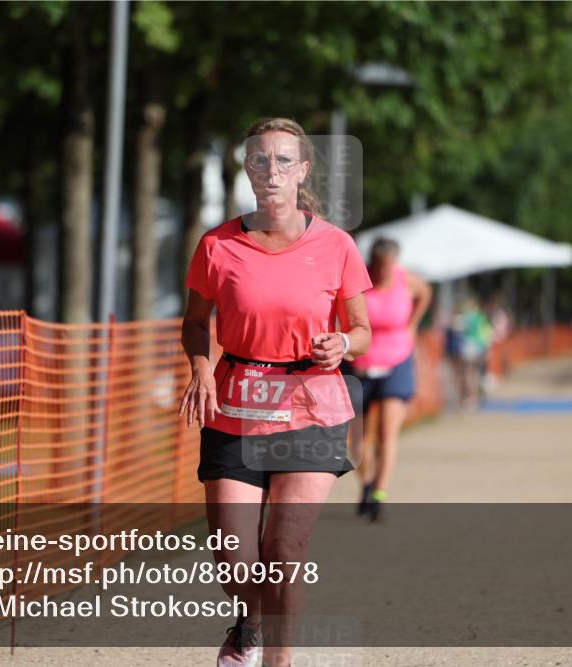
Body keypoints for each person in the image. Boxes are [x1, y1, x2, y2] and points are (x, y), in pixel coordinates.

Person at [179, 117, 372, 667]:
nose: (272, 170)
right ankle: (251, 620)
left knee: (283, 555)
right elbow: (195, 322)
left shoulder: (336, 245)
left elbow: (361, 330)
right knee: (236, 563)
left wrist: (343, 344)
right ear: (247, 168)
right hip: (234, 404)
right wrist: (199, 365)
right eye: (260, 159)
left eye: (284, 160)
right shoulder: (218, 245)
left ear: (302, 170)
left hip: (311, 405)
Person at [340, 238, 431, 521]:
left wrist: (412, 326)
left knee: (388, 434)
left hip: (397, 360)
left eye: (390, 266)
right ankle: (366, 484)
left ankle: (380, 493)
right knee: (359, 437)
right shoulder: (358, 281)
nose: (385, 272)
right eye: (380, 267)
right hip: (361, 362)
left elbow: (425, 293)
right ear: (372, 262)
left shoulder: (407, 280)